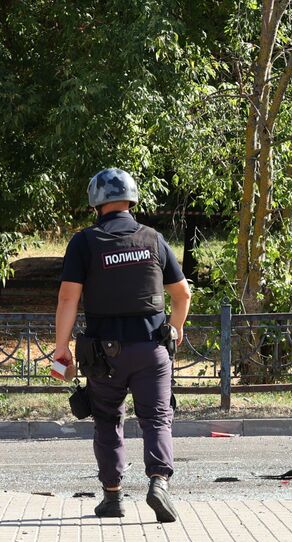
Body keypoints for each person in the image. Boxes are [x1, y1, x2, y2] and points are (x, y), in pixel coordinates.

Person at [51, 168, 190, 522]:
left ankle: (112, 497)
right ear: (132, 198)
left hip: (105, 355)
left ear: (96, 201)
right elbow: (182, 293)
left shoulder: (85, 242)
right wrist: (175, 328)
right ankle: (159, 482)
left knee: (108, 419)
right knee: (157, 419)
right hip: (152, 350)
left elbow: (69, 298)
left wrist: (61, 347)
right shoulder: (154, 240)